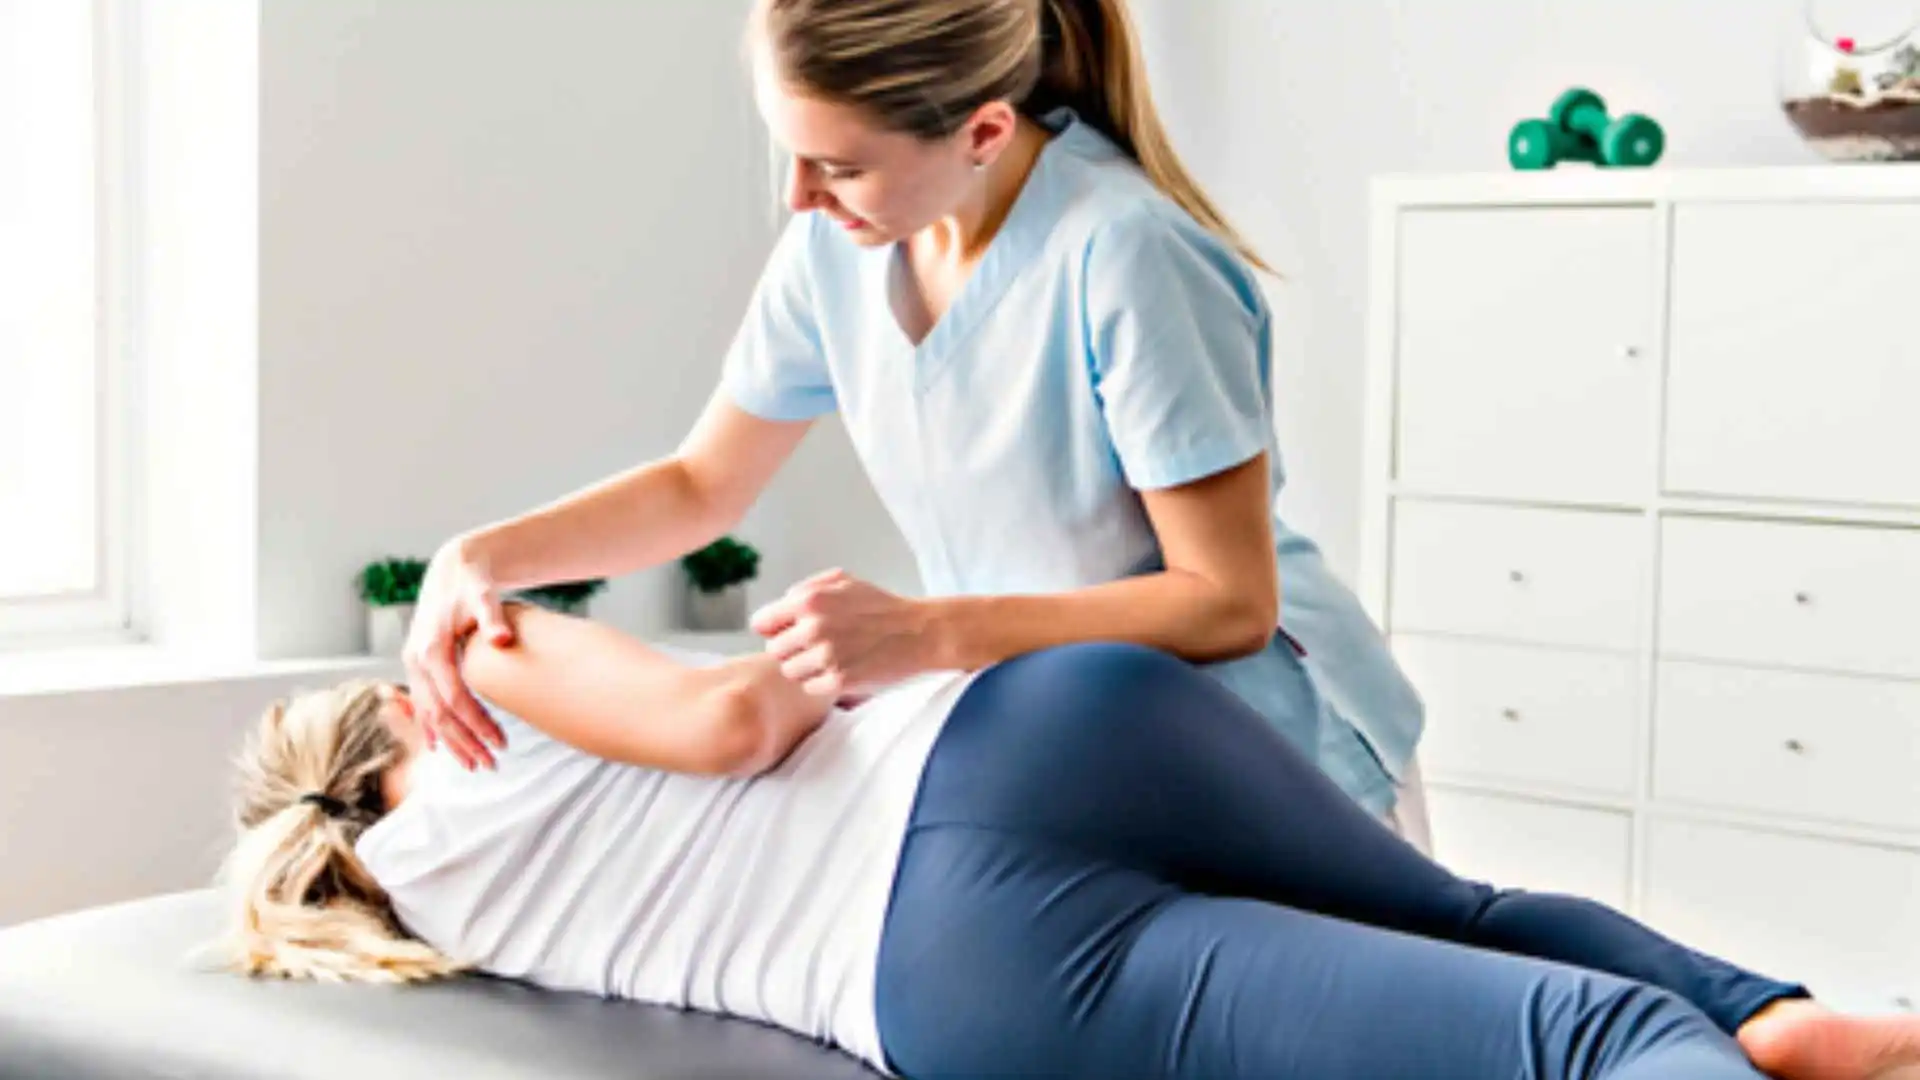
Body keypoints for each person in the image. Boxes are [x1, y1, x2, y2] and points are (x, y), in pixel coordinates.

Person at [400, 0, 1431, 839]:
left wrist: (922, 634)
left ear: (984, 130)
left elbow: (1226, 602)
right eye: (789, 155)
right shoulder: (837, 251)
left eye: (841, 166)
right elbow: (702, 485)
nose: (803, 196)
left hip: (1285, 756)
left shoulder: (1125, 255)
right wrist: (482, 556)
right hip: (1093, 736)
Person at [216, 602, 1920, 1080]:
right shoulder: (476, 673)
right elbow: (744, 722)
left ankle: (1765, 1041)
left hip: (949, 973)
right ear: (387, 720)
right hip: (1039, 733)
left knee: (1574, 1052)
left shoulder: (429, 913)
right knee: (1486, 924)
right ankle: (1792, 1022)